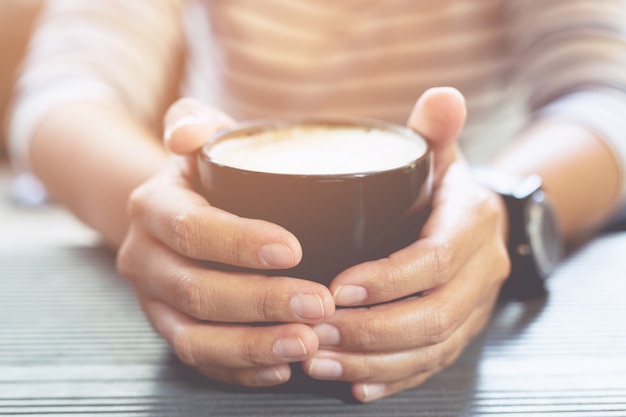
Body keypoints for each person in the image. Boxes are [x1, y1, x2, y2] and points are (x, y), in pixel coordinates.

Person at [6, 0, 626, 403]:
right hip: (217, 289)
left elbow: (608, 95)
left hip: (470, 264)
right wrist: (162, 215)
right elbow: (62, 95)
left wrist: (496, 211)